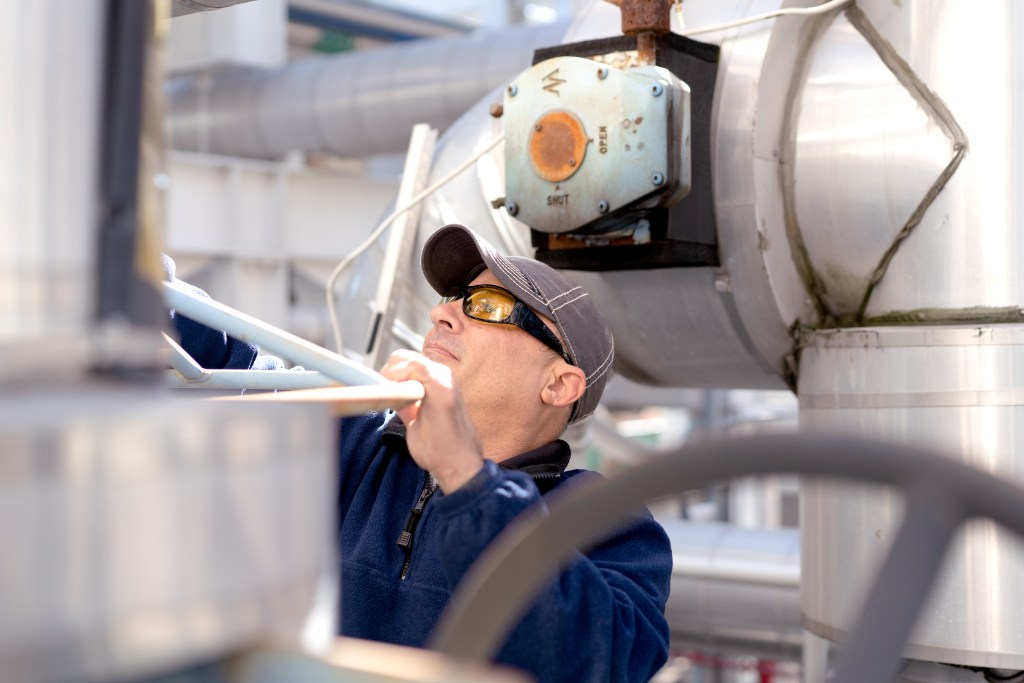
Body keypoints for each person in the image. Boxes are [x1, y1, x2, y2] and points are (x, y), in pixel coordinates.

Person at [336, 223, 673, 682]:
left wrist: (466, 479)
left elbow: (603, 661)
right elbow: (233, 365)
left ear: (557, 384)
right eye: (454, 296)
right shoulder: (356, 446)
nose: (441, 312)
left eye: (488, 306)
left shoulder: (606, 524)